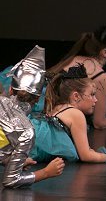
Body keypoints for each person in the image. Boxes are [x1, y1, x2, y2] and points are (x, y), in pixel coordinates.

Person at [29, 64, 106, 165]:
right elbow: (86, 156)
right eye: (92, 94)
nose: (96, 100)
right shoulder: (76, 114)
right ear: (76, 96)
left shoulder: (58, 107)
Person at [1, 46, 65, 188]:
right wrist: (45, 173)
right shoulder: (26, 131)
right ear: (37, 99)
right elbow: (10, 181)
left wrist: (9, 160)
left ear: (10, 89)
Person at [48, 23, 106, 129]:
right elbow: (99, 123)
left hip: (47, 113)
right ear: (105, 52)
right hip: (56, 124)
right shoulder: (101, 77)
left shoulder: (75, 58)